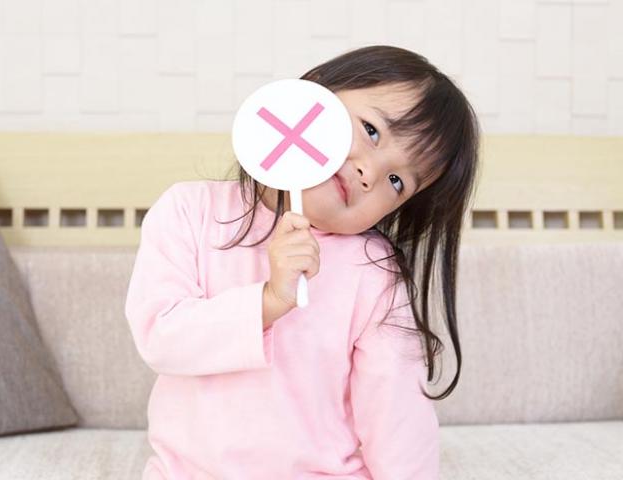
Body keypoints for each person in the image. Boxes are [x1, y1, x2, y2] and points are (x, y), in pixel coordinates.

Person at [125, 45, 481, 479]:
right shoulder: (189, 210)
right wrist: (269, 301)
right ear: (311, 94)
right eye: (371, 130)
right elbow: (160, 337)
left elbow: (396, 411)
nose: (369, 173)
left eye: (396, 181)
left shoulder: (374, 271)